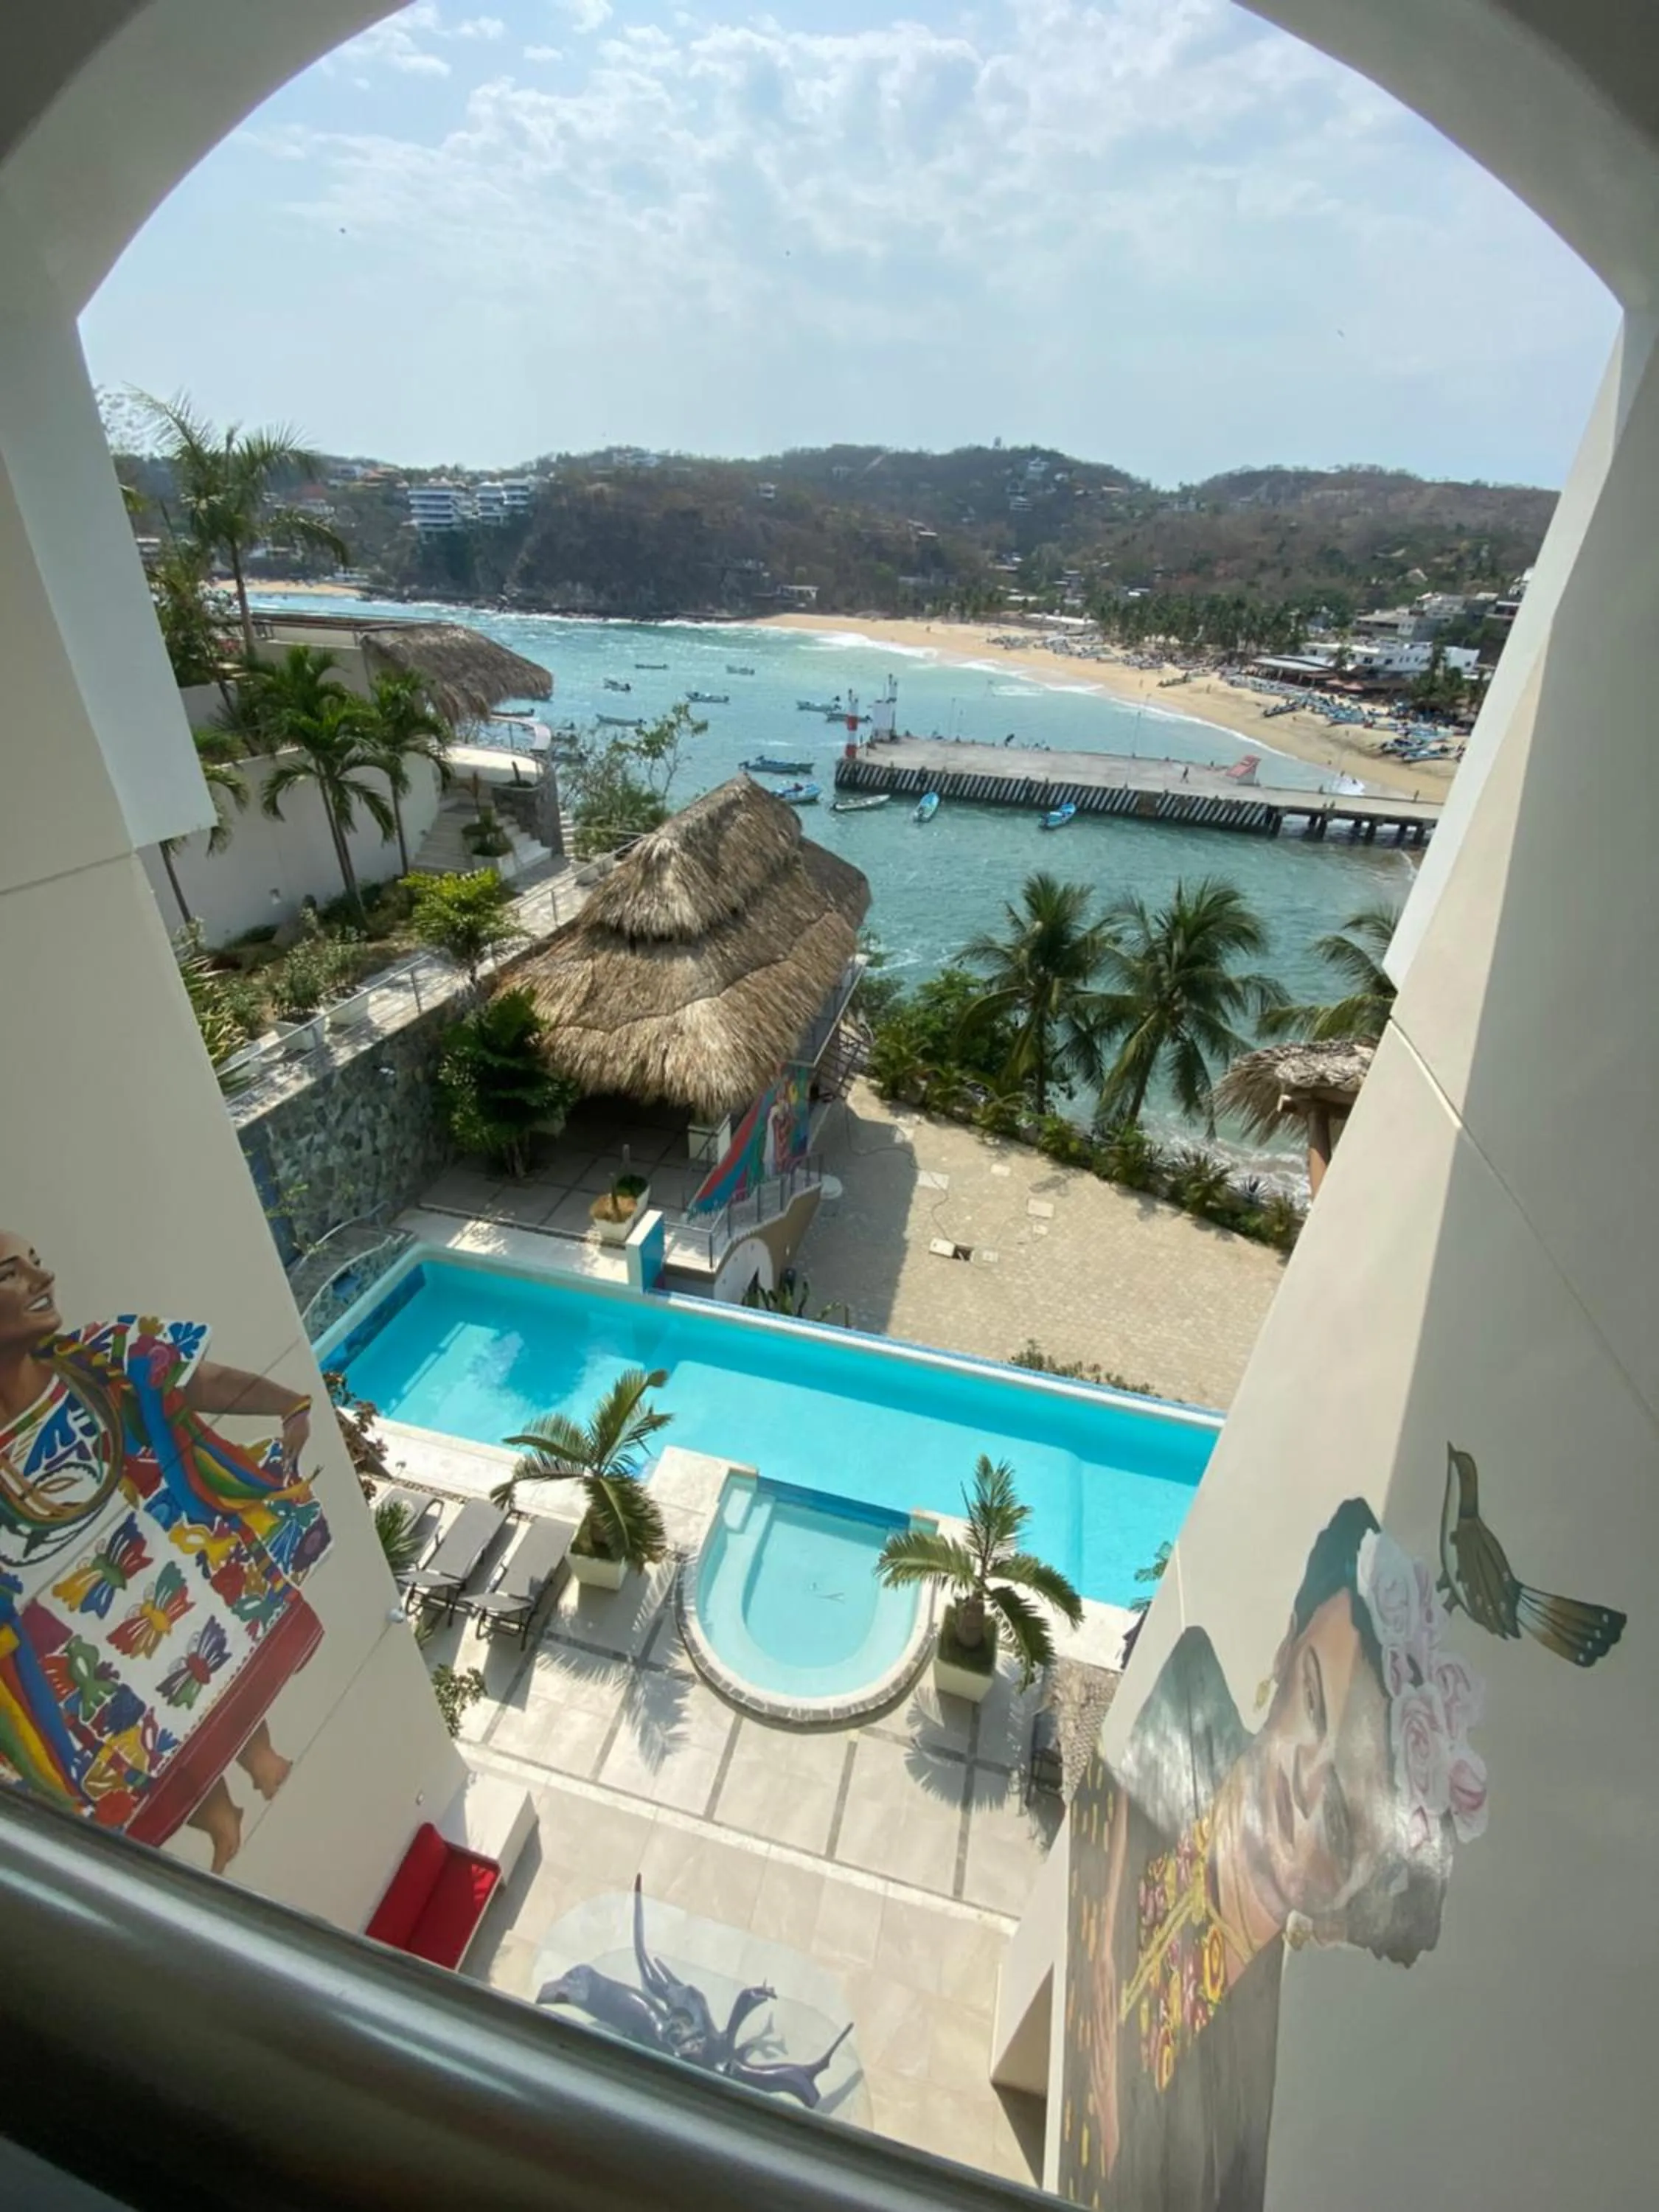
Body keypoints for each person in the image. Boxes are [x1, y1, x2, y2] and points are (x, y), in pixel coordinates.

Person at [1060, 1499, 1486, 2211]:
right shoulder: (1190, 1698)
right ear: (1287, 1650)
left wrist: (1110, 2105)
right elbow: (1104, 1856)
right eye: (1313, 1705)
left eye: (1344, 1822)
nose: (1303, 1782)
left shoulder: (1253, 2094)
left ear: (1360, 1895)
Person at [0, 1233, 331, 1872]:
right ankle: (219, 1816)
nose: (44, 1279)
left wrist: (286, 1403)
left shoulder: (94, 1357)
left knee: (218, 1671)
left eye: (38, 1261)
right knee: (146, 1733)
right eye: (12, 1275)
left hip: (159, 1561)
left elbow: (196, 1380)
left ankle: (260, 1756)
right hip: (68, 1619)